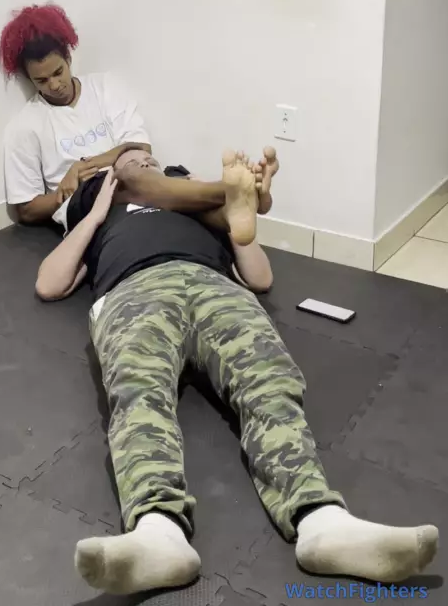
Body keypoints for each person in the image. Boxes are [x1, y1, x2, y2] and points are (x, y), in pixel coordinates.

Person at [35, 150, 439, 596]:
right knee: (138, 391)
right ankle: (157, 531)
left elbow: (260, 278)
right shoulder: (98, 199)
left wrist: (237, 216)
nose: (144, 162)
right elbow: (49, 283)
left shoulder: (191, 196)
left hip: (215, 286)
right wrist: (93, 216)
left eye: (150, 159)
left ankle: (322, 521)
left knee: (271, 382)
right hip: (136, 289)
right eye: (132, 160)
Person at [0, 2, 152, 228]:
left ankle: (207, 196)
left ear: (68, 58)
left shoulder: (105, 87)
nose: (54, 85)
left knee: (165, 183)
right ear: (29, 78)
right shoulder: (25, 126)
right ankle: (207, 192)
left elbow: (142, 148)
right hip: (88, 203)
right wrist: (70, 189)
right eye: (41, 80)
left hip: (135, 184)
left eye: (58, 72)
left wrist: (83, 166)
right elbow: (26, 210)